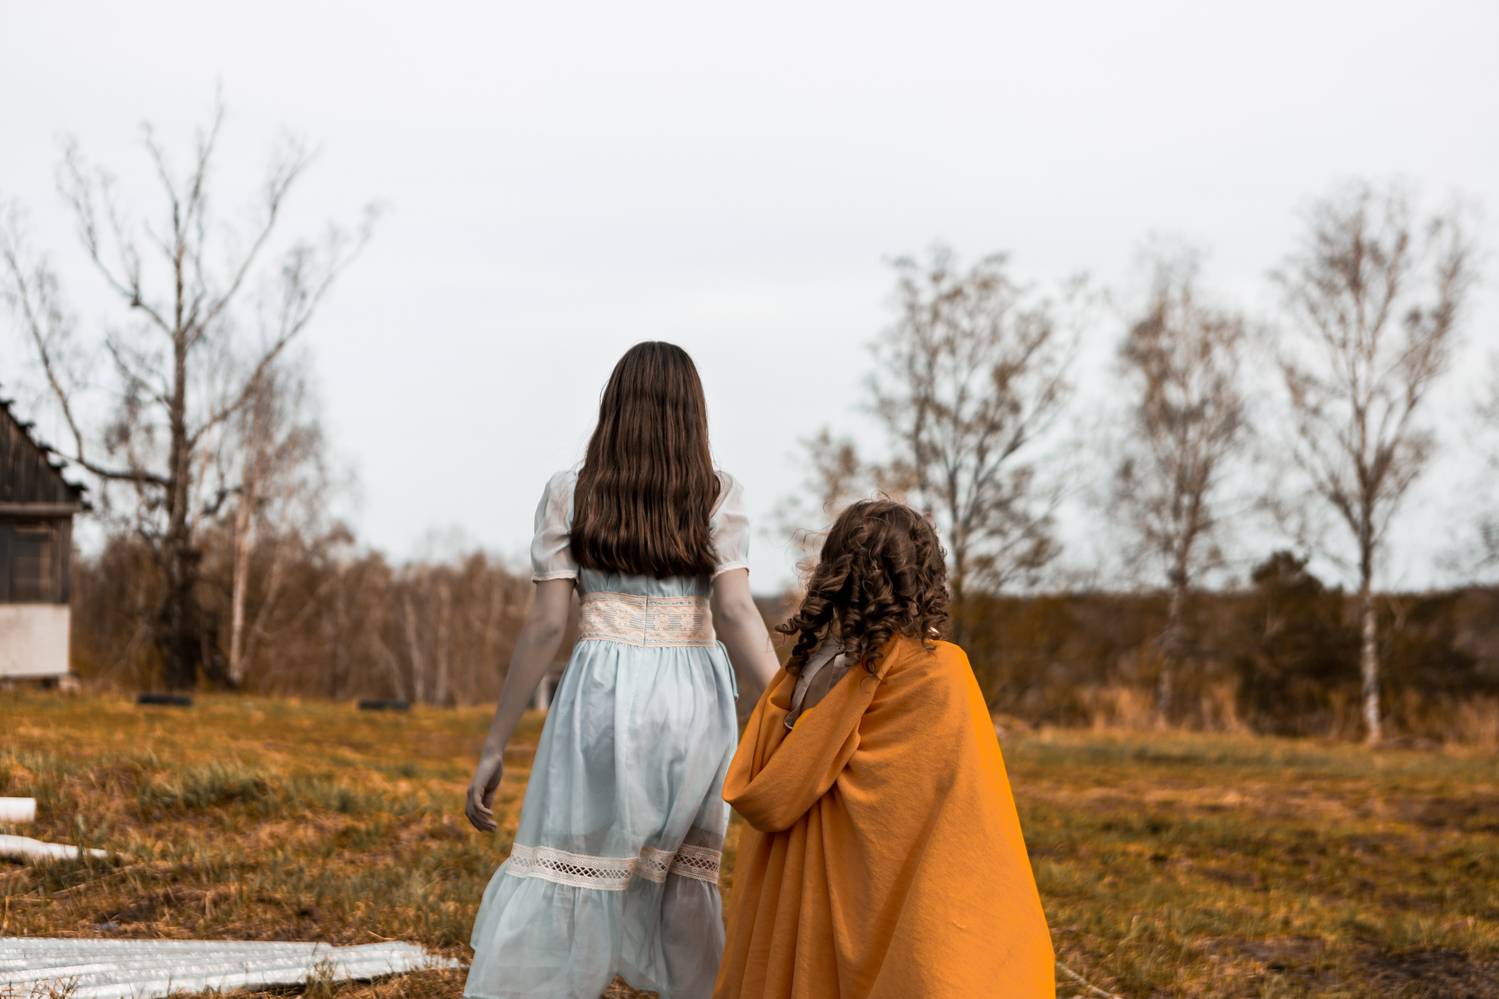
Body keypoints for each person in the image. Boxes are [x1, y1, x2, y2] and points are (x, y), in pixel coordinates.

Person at [463, 341, 780, 999]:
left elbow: (545, 626)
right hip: (694, 699)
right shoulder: (719, 494)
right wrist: (786, 702)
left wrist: (495, 743)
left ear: (614, 407)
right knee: (685, 871)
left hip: (600, 694)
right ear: (692, 413)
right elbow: (734, 609)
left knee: (575, 859)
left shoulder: (569, 492)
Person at [715, 500, 1055, 998]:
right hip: (875, 899)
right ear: (923, 578)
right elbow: (963, 814)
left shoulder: (802, 672)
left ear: (831, 574)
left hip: (803, 898)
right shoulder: (937, 670)